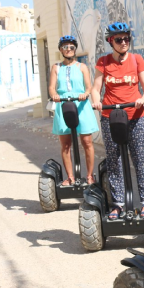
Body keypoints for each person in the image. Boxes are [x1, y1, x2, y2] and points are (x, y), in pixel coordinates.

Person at [90, 22, 144, 220]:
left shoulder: (137, 60)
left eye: (126, 38)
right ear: (111, 41)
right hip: (111, 116)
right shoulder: (103, 62)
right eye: (119, 39)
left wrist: (143, 99)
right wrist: (96, 101)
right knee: (114, 160)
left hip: (136, 117)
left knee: (141, 158)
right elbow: (96, 87)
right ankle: (117, 203)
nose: (124, 42)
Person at [48, 35, 98, 184]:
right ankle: (70, 177)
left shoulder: (82, 67)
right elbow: (51, 87)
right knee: (66, 144)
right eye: (65, 47)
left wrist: (85, 94)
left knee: (87, 141)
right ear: (60, 50)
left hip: (81, 105)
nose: (68, 50)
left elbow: (89, 87)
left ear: (75, 49)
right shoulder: (56, 67)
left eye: (71, 47)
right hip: (63, 104)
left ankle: (89, 175)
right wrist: (55, 95)